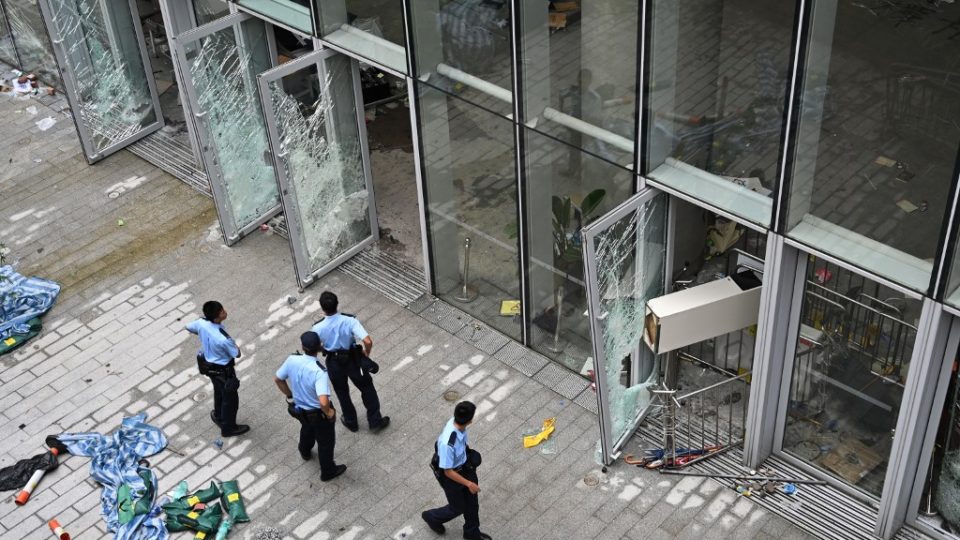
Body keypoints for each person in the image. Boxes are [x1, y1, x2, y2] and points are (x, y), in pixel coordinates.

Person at [311, 291, 390, 433]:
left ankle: (351, 421)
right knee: (366, 387)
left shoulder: (317, 327)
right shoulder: (350, 320)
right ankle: (375, 421)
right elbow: (368, 341)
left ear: (323, 308)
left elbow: (315, 346)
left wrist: (324, 348)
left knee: (342, 393)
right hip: (353, 359)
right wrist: (366, 352)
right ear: (337, 304)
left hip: (333, 362)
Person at [274, 332, 347, 482]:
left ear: (303, 347)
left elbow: (278, 379)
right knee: (326, 442)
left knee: (307, 428)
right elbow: (323, 401)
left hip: (300, 409)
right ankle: (328, 471)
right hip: (318, 414)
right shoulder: (319, 372)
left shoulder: (292, 359)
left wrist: (290, 396)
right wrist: (329, 412)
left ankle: (305, 450)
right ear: (319, 347)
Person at [422, 401, 491, 540]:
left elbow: (463, 445)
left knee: (472, 504)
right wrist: (469, 484)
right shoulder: (448, 444)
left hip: (465, 468)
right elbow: (448, 472)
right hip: (452, 478)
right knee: (458, 507)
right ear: (470, 420)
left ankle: (472, 534)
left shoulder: (457, 424)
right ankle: (432, 517)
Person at [186, 301, 249, 437]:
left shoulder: (201, 323)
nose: (225, 311)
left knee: (219, 393)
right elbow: (236, 354)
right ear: (216, 317)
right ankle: (228, 428)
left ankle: (218, 416)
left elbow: (188, 327)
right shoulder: (223, 339)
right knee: (231, 401)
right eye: (221, 311)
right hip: (224, 371)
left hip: (210, 367)